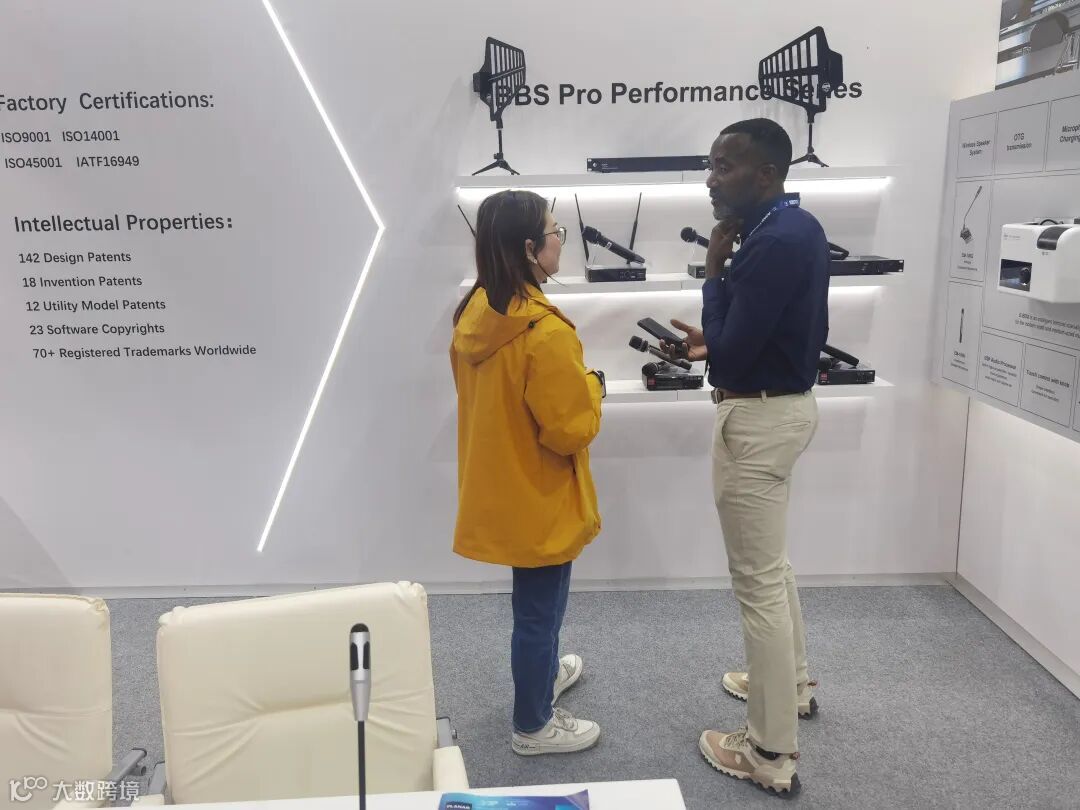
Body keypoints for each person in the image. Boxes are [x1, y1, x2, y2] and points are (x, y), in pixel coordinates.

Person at [665, 119, 829, 797]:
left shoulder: (771, 241)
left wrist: (712, 273)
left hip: (757, 419)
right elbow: (759, 330)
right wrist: (722, 331)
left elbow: (731, 357)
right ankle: (792, 686)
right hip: (780, 410)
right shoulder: (792, 228)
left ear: (766, 174)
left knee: (757, 583)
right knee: (773, 569)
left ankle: (768, 752)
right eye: (711, 165)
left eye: (724, 166)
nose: (711, 179)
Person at [451, 189, 606, 756]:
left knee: (536, 609)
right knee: (540, 613)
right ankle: (534, 725)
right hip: (541, 491)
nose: (560, 240)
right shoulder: (546, 333)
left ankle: (542, 678)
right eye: (554, 231)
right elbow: (569, 430)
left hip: (501, 484)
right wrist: (593, 388)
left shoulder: (474, 314)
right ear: (528, 248)